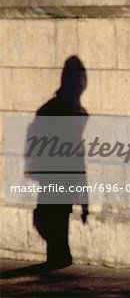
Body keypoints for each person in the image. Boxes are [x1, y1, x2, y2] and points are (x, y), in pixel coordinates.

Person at [26, 55, 89, 268]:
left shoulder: (69, 110)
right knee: (52, 215)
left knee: (56, 215)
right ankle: (59, 254)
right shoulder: (56, 110)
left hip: (62, 173)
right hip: (55, 173)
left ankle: (59, 255)